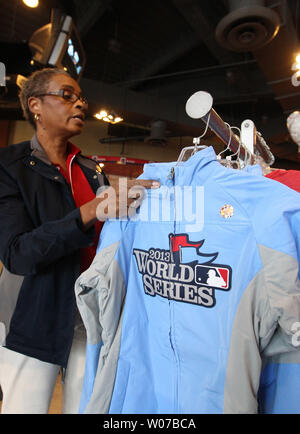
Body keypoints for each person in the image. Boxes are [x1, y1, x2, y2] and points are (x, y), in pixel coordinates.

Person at [0, 67, 159, 414]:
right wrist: (89, 211)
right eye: (67, 95)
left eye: (82, 98)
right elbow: (18, 254)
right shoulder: (9, 166)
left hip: (90, 318)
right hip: (32, 321)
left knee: (86, 409)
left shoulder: (90, 169)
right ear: (36, 106)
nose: (80, 104)